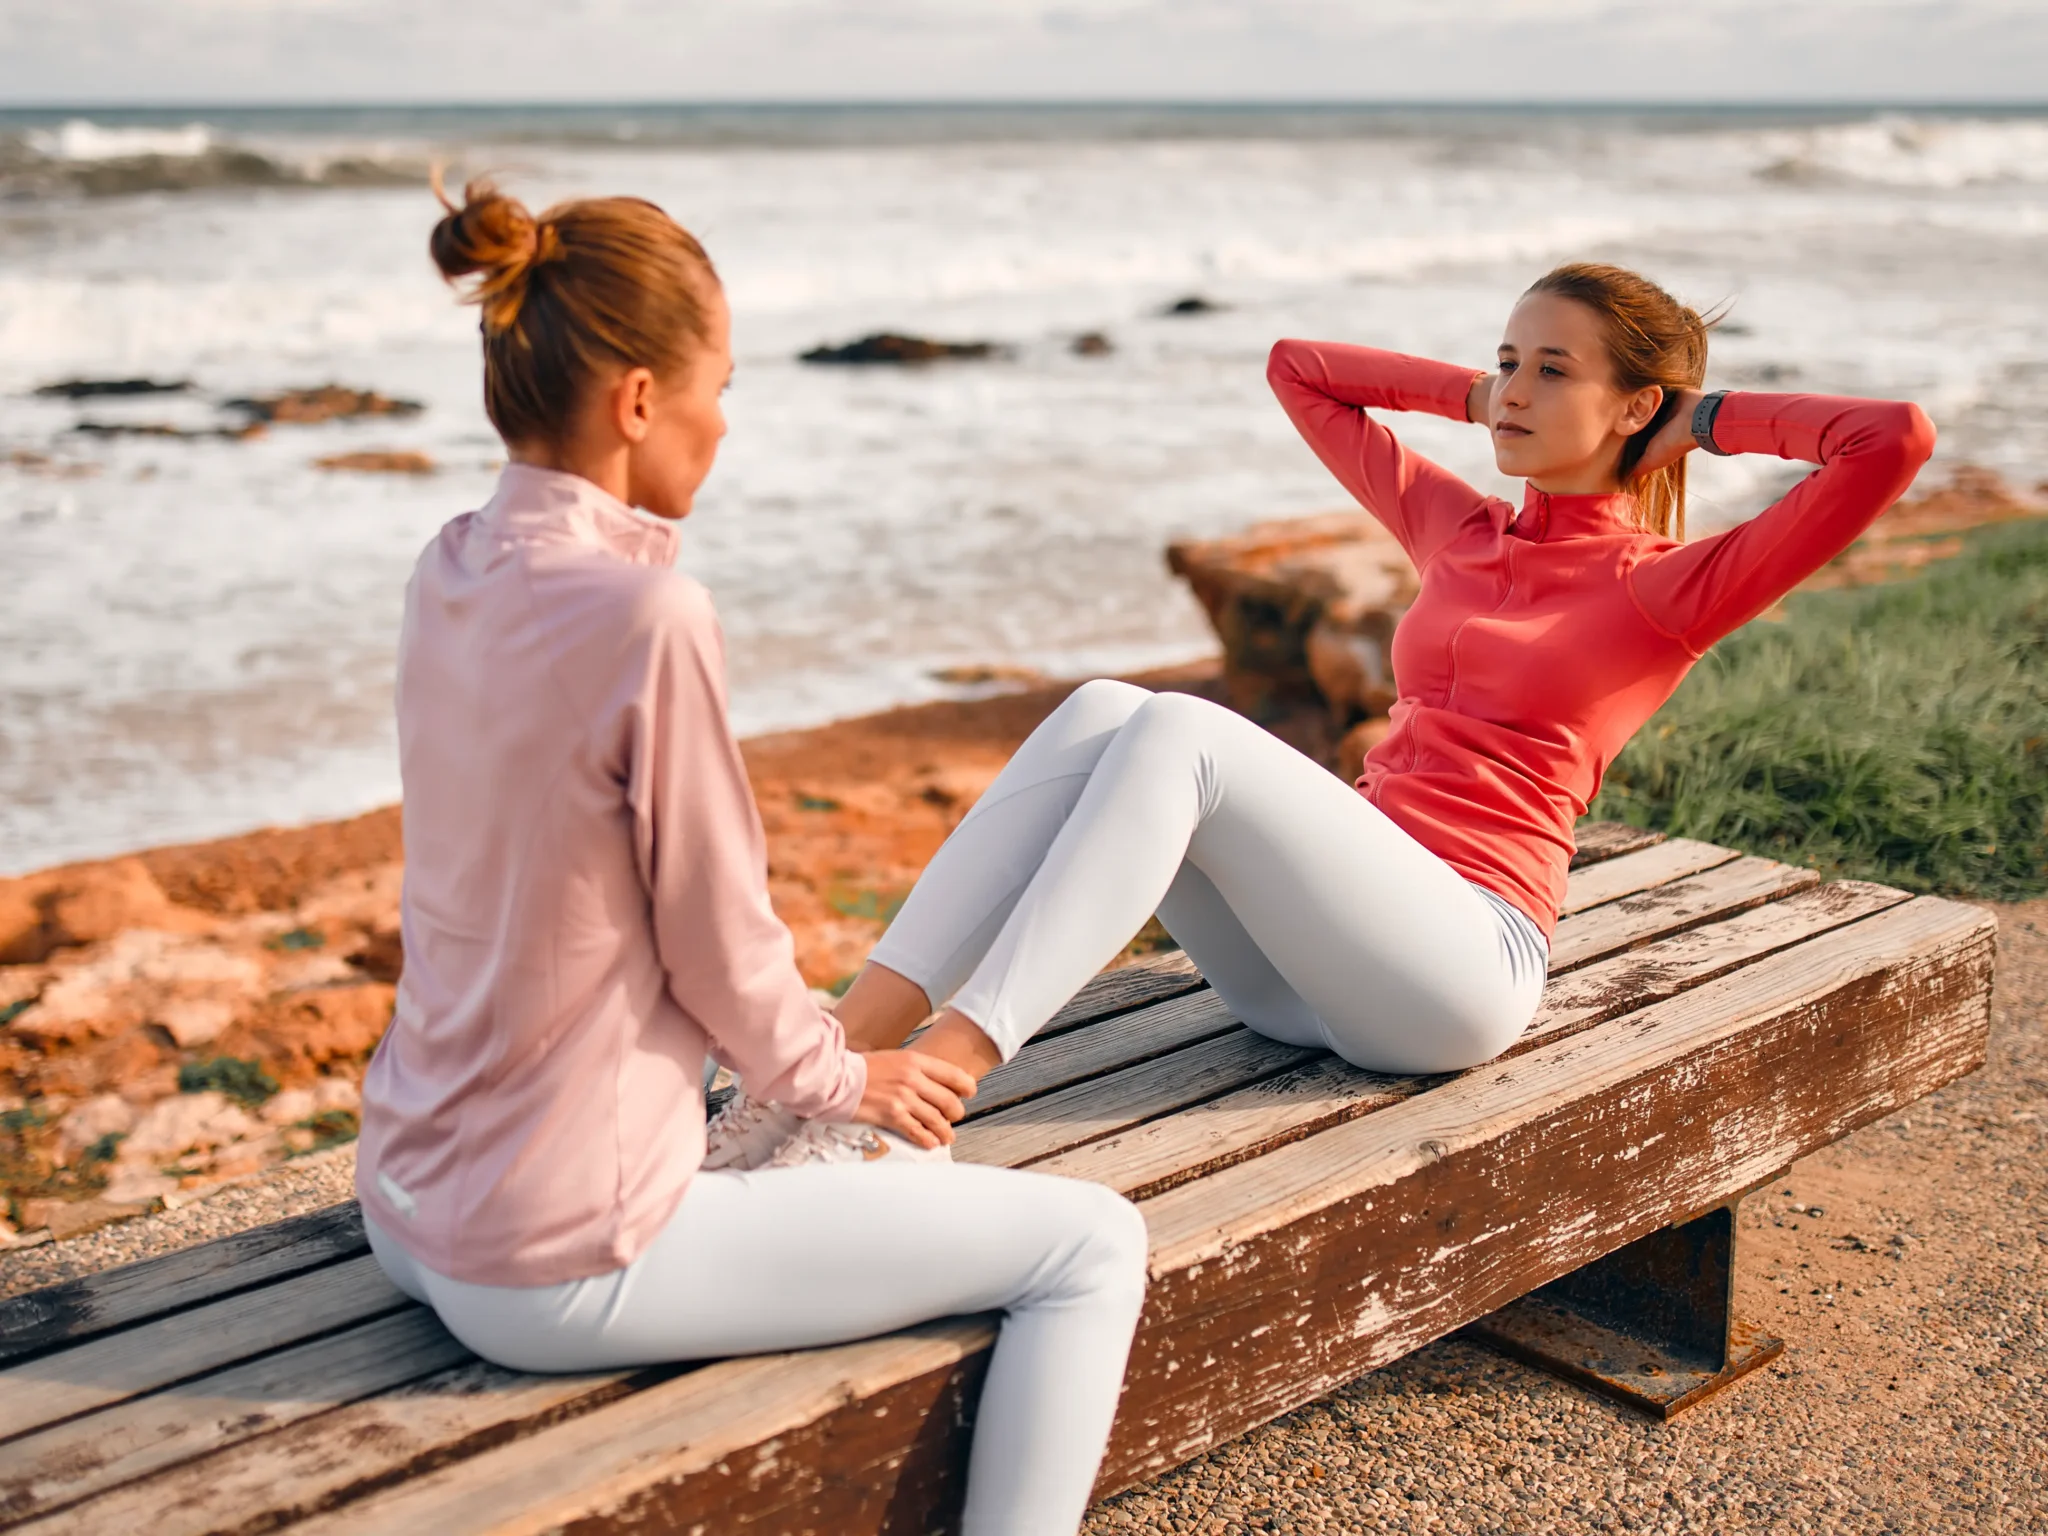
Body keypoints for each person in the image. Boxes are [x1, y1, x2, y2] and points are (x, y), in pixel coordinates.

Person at [709, 261, 1936, 1162]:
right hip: (1305, 974)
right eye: (1505, 360)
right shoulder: (1459, 531)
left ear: (1634, 408)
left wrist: (1697, 423)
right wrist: (1475, 396)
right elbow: (1299, 370)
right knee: (1100, 708)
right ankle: (834, 1055)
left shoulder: (1663, 589)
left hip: (1455, 971)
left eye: (1549, 371)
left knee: (1180, 731)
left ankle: (935, 1077)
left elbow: (1888, 441)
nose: (1512, 390)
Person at [354, 177, 1149, 1536]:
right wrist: (843, 1077)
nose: (726, 421)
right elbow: (715, 936)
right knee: (1090, 1245)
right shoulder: (647, 615)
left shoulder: (451, 565)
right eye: (720, 386)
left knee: (872, 1177)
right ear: (639, 400)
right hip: (558, 1258)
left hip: (408, 1199)